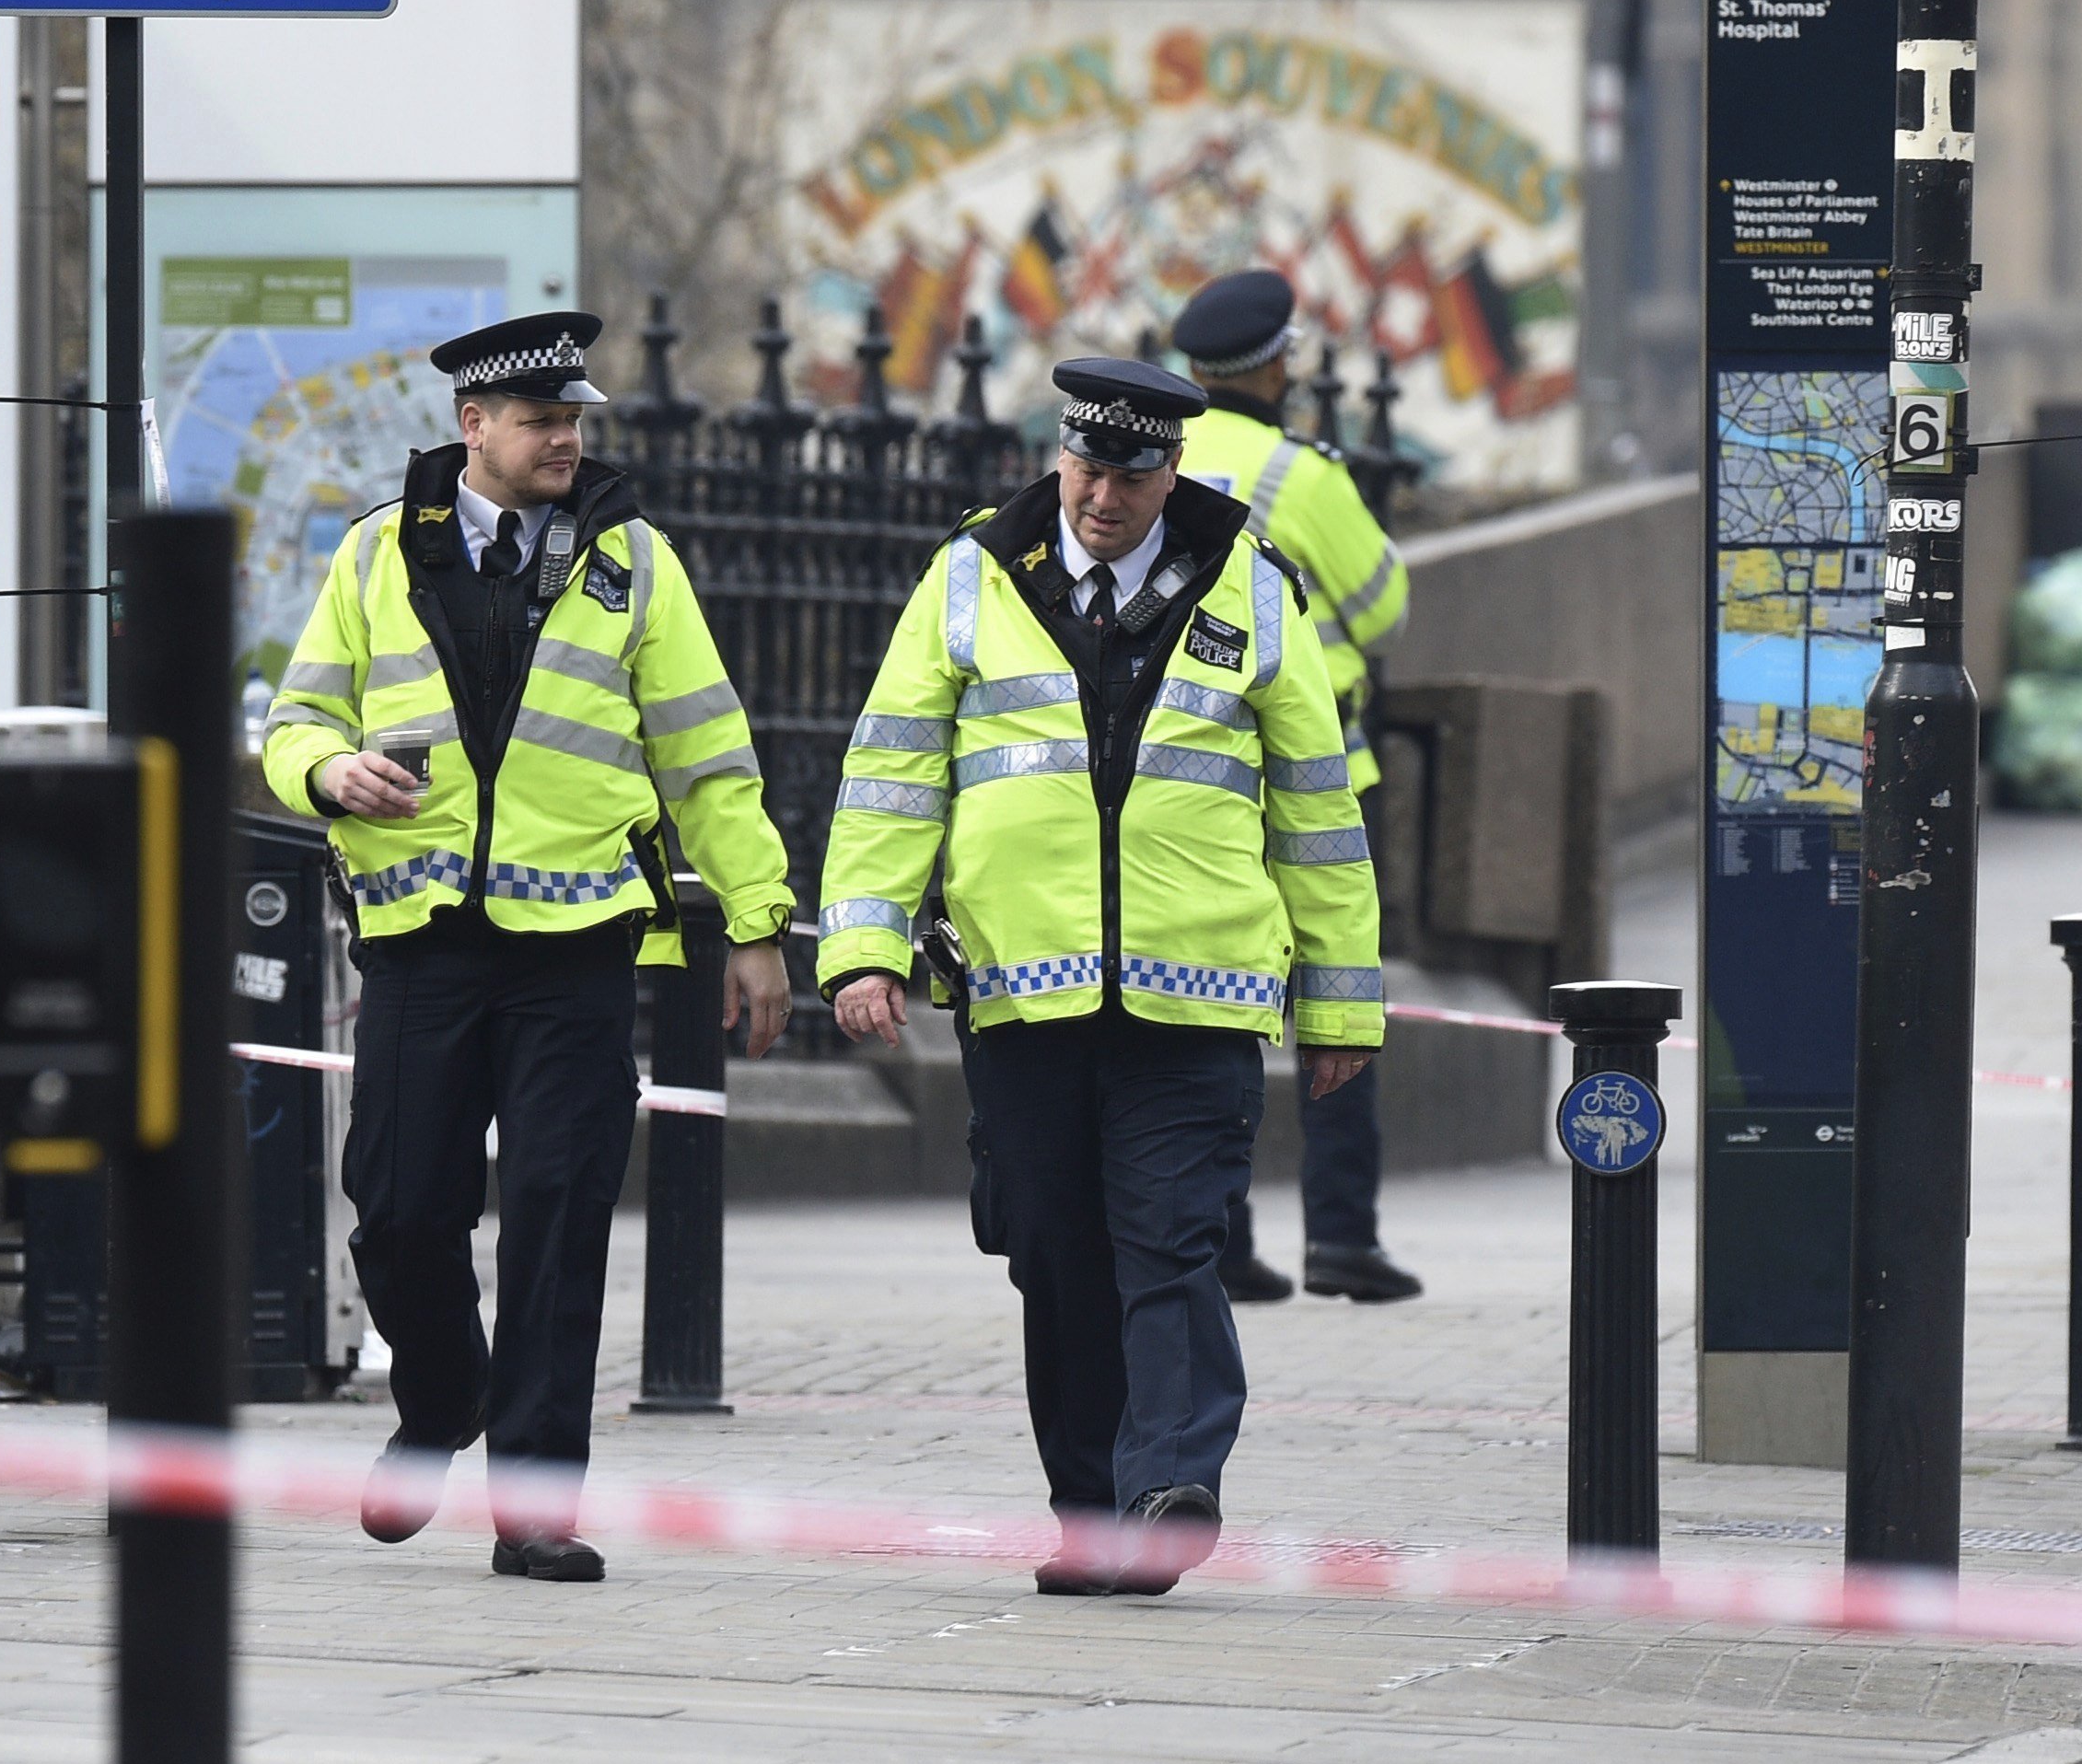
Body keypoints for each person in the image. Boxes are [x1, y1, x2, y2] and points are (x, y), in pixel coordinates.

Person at [818, 357, 1382, 1596]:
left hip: (1196, 997)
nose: (1100, 499)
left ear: (1170, 473)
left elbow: (1320, 813)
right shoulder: (969, 579)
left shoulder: (1252, 586)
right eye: (1083, 469)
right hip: (1025, 997)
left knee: (1171, 1243)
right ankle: (1091, 1517)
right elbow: (892, 774)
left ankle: (1171, 1485)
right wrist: (862, 946)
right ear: (1058, 457)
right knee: (1055, 1255)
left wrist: (1342, 1002)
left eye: (1129, 477)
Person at [262, 310, 793, 1584]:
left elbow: (709, 758)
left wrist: (759, 923)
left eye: (574, 421)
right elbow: (296, 720)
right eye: (543, 421)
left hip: (580, 944)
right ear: (474, 428)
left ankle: (539, 1501)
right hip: (423, 940)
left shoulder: (635, 562)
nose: (566, 438)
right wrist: (329, 771)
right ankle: (443, 1401)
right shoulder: (377, 554)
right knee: (395, 1212)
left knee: (559, 1218)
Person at [1168, 269, 1423, 1307]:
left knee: (1199, 1006)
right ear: (1278, 364)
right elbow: (1384, 605)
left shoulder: (1154, 457)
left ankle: (1216, 1234)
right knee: (1336, 998)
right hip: (1320, 775)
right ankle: (1342, 1237)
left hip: (1194, 779)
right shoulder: (1301, 479)